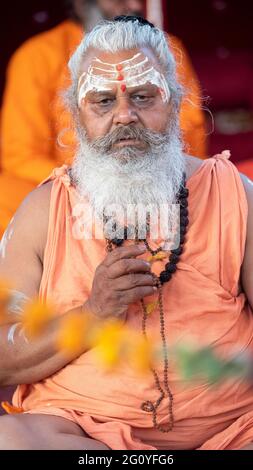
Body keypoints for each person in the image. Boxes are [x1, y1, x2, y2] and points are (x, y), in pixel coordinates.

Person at [0, 17, 244, 451]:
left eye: (143, 96)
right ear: (77, 113)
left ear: (174, 102)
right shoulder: (43, 212)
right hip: (84, 435)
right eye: (103, 101)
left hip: (235, 431)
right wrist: (93, 313)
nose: (125, 115)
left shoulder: (235, 195)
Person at [0, 0, 206, 238]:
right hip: (73, 187)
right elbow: (20, 155)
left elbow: (192, 133)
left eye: (142, 96)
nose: (134, 5)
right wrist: (84, 183)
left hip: (158, 181)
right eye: (104, 100)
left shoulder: (161, 52)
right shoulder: (37, 56)